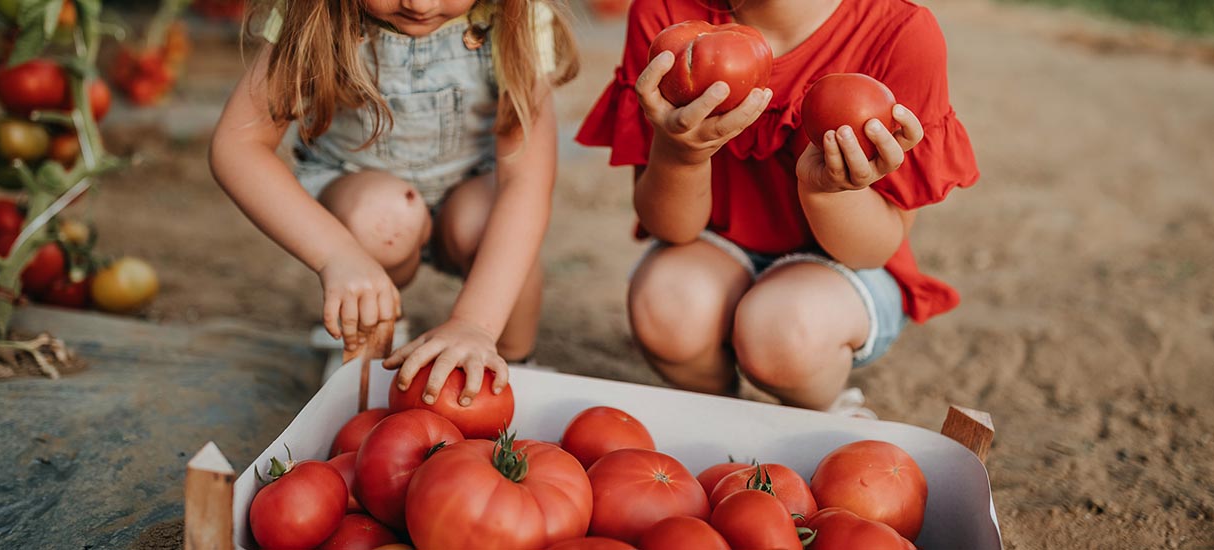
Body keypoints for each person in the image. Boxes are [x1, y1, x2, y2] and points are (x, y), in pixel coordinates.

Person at [576, 0, 978, 413]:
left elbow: (870, 252)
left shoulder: (899, 32)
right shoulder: (665, 16)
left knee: (785, 333)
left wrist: (827, 191)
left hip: (843, 272)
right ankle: (720, 412)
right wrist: (682, 154)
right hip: (715, 247)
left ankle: (819, 411)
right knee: (665, 306)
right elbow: (672, 228)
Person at [210, 0, 578, 405]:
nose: (419, 4)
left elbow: (524, 181)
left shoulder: (514, 16)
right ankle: (366, 361)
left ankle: (511, 368)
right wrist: (337, 253)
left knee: (502, 224)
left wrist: (473, 324)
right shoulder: (319, 12)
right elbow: (238, 145)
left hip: (470, 194)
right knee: (380, 215)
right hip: (362, 195)